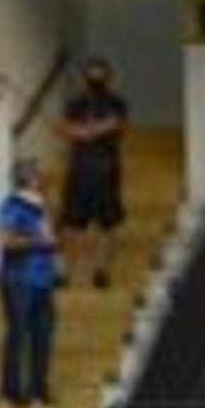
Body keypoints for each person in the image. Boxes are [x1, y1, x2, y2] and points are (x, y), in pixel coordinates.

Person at [53, 58, 130, 290]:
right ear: (85, 77)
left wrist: (86, 131)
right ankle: (64, 271)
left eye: (101, 74)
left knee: (107, 224)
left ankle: (102, 270)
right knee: (71, 223)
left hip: (107, 170)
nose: (96, 78)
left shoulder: (116, 102)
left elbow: (116, 124)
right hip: (79, 170)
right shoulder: (76, 103)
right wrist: (81, 131)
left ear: (109, 77)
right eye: (92, 74)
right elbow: (63, 128)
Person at [0, 155, 56, 408]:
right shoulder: (11, 206)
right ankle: (12, 390)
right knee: (18, 335)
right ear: (29, 177)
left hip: (42, 280)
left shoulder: (41, 205)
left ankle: (39, 387)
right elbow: (6, 241)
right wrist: (40, 242)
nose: (44, 176)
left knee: (43, 335)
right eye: (40, 172)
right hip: (19, 279)